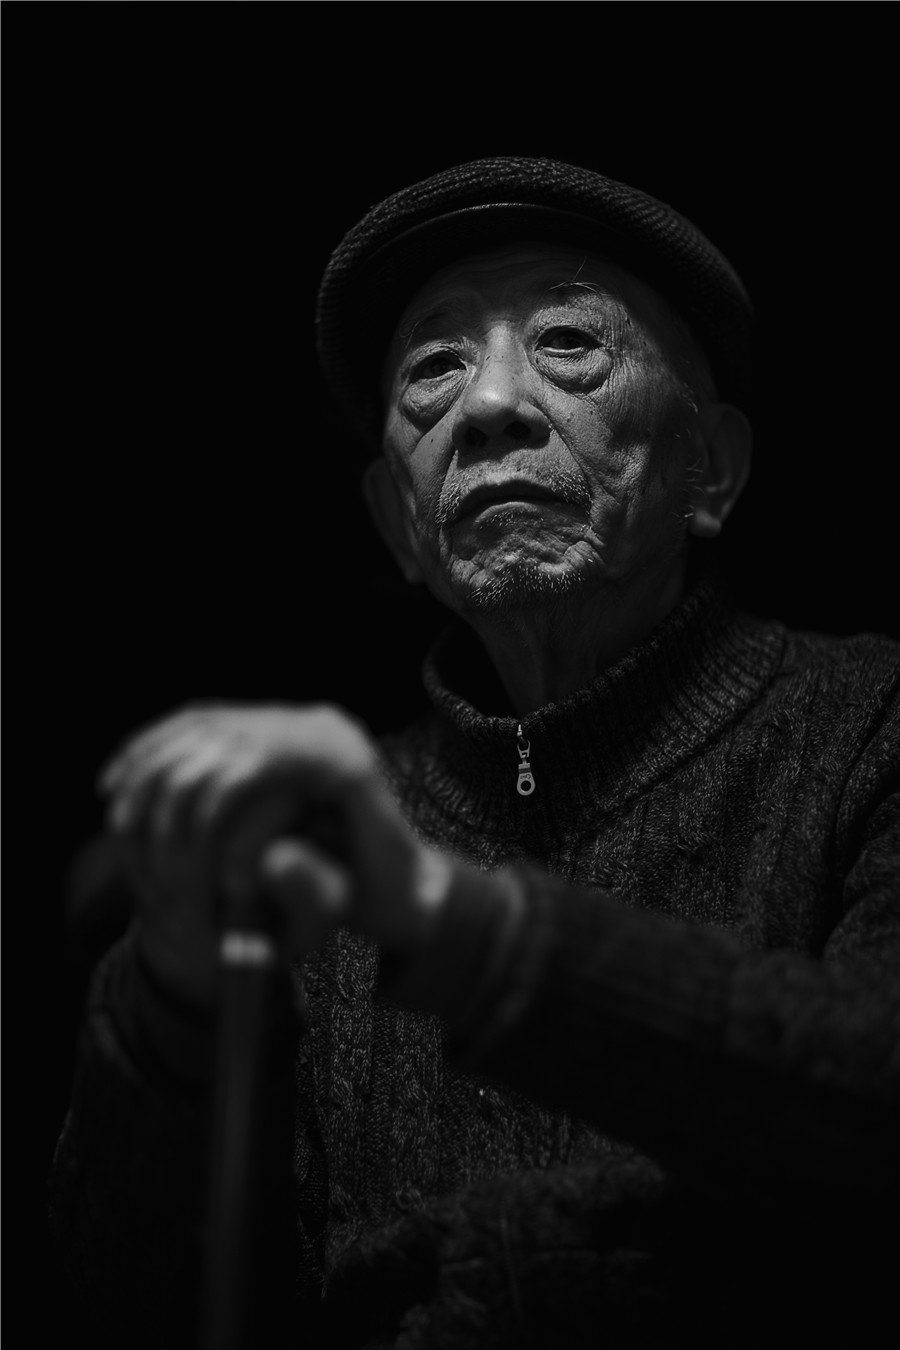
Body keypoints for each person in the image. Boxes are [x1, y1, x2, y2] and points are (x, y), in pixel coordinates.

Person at [49, 156, 900, 1350]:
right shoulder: (308, 847)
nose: (490, 403)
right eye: (433, 370)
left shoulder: (869, 722)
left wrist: (457, 929)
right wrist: (170, 1012)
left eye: (568, 343)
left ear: (710, 469)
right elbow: (125, 1308)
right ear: (399, 524)